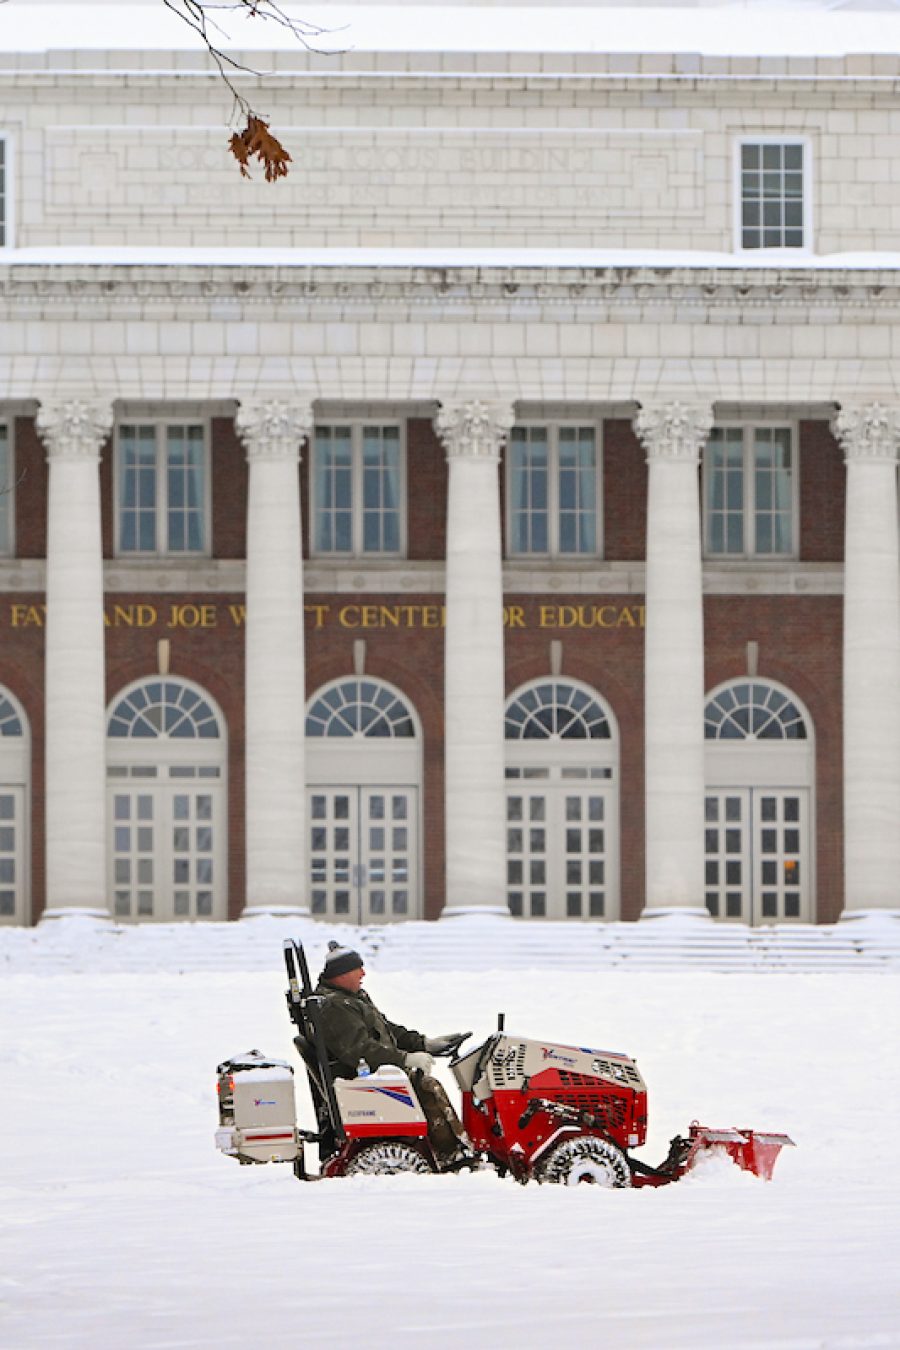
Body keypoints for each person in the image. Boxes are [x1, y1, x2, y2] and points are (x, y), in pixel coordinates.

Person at [314, 940, 474, 1169]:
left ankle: (454, 1150)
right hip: (362, 1076)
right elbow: (358, 1050)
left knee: (426, 1084)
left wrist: (424, 1044)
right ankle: (452, 1156)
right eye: (357, 969)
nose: (363, 974)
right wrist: (405, 1059)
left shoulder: (351, 998)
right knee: (428, 1087)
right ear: (341, 974)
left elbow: (386, 1029)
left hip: (371, 1070)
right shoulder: (336, 1006)